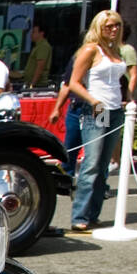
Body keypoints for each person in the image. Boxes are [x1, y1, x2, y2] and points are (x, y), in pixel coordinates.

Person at [68, 11, 127, 232]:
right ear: (99, 27)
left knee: (104, 164)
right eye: (109, 26)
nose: (114, 29)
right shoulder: (91, 49)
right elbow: (74, 82)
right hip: (97, 108)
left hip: (114, 109)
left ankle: (93, 213)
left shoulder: (116, 50)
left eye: (117, 25)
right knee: (91, 163)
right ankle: (79, 215)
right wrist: (93, 100)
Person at [47, 47, 88, 177]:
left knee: (97, 149)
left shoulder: (108, 59)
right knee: (71, 145)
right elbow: (67, 85)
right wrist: (57, 108)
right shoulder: (78, 57)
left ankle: (98, 184)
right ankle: (66, 178)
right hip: (77, 106)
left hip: (100, 107)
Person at [121, 24, 137, 100]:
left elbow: (134, 75)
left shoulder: (127, 50)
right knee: (98, 111)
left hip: (122, 96)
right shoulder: (107, 50)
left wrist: (129, 96)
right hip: (102, 98)